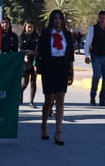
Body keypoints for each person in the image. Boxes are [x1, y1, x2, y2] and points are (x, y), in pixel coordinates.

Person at [37, 9, 74, 146]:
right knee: (49, 100)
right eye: (55, 18)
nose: (57, 21)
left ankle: (59, 132)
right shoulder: (46, 35)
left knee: (60, 99)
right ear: (51, 20)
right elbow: (39, 52)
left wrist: (71, 71)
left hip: (62, 68)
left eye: (60, 18)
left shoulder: (67, 35)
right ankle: (44, 126)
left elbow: (70, 54)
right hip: (49, 67)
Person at [19, 20, 39, 107]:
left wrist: (35, 63)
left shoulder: (37, 37)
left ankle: (31, 102)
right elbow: (21, 49)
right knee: (25, 82)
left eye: (31, 27)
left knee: (33, 82)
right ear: (25, 27)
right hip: (25, 61)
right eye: (28, 27)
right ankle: (19, 94)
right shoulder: (21, 37)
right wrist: (24, 55)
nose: (30, 29)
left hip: (35, 60)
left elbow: (37, 51)